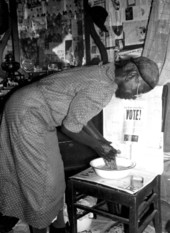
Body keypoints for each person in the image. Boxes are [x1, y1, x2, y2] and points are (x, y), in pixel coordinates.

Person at [0, 56, 159, 233]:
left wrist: (101, 140)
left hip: (37, 113)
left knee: (56, 179)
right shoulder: (102, 88)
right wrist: (98, 147)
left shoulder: (106, 73)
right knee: (41, 182)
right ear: (131, 76)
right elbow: (70, 128)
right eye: (138, 90)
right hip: (28, 113)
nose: (135, 96)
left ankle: (59, 228)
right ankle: (39, 226)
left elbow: (81, 116)